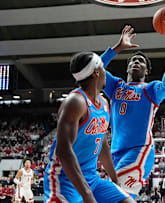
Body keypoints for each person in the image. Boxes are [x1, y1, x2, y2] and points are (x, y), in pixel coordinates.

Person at [99, 25, 165, 198]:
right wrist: (117, 48)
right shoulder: (116, 85)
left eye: (141, 61)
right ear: (127, 68)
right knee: (121, 197)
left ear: (146, 71)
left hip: (139, 150)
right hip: (116, 153)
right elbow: (94, 69)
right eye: (133, 60)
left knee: (112, 195)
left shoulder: (151, 89)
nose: (136, 62)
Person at [44, 51, 135, 203]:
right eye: (104, 68)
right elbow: (63, 151)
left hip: (92, 179)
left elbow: (102, 144)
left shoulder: (103, 102)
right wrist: (87, 195)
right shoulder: (75, 102)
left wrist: (115, 180)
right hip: (65, 181)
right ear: (96, 72)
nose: (106, 73)